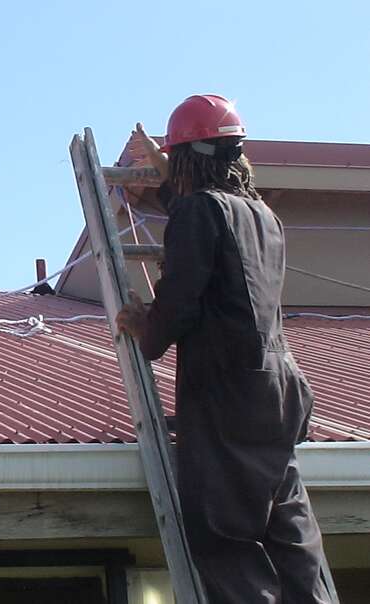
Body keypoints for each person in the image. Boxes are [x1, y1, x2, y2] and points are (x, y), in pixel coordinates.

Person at [116, 95, 330, 603]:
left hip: (227, 395)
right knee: (293, 541)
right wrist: (162, 158)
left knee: (229, 541)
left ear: (188, 159)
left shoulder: (197, 212)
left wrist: (147, 327)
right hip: (280, 394)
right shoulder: (263, 216)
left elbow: (181, 301)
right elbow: (205, 213)